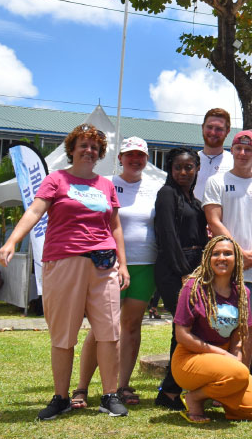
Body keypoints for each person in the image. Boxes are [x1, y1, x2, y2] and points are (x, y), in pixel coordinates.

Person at [0, 123, 130, 419]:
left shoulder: (106, 185)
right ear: (71, 150)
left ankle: (109, 395)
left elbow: (115, 226)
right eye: (83, 145)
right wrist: (11, 241)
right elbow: (34, 211)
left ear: (100, 154)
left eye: (94, 147)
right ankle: (60, 397)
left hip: (104, 263)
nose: (89, 150)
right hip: (64, 261)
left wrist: (123, 263)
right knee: (63, 335)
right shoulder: (56, 179)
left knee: (109, 332)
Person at [75, 137, 164, 409]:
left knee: (131, 326)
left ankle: (122, 385)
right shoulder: (106, 184)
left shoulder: (157, 188)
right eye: (129, 155)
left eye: (140, 155)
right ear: (120, 158)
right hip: (108, 265)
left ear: (147, 159)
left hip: (145, 265)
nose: (135, 160)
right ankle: (81, 388)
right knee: (102, 328)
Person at [172, 236, 252, 422]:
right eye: (215, 254)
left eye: (227, 253)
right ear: (208, 259)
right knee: (238, 372)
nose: (221, 258)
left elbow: (240, 337)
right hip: (189, 360)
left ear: (237, 259)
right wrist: (224, 356)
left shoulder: (242, 293)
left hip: (226, 363)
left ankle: (221, 395)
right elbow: (181, 335)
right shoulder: (193, 288)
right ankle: (193, 398)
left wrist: (237, 363)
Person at [203, 130, 252, 358]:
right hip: (223, 265)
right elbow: (213, 220)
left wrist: (251, 253)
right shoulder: (216, 181)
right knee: (219, 323)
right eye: (238, 148)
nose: (243, 153)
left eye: (248, 150)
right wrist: (237, 252)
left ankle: (241, 378)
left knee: (246, 326)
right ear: (231, 150)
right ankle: (219, 375)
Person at [153, 147, 209, 411]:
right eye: (178, 168)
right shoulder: (167, 194)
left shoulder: (192, 199)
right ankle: (169, 391)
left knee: (192, 328)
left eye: (189, 167)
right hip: (175, 269)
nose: (184, 172)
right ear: (170, 170)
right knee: (183, 331)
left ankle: (177, 387)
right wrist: (183, 271)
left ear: (197, 169)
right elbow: (167, 236)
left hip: (196, 267)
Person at [195, 108, 234, 202]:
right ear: (202, 127)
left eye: (219, 129)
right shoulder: (191, 160)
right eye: (209, 127)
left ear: (227, 131)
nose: (213, 132)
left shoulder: (234, 162)